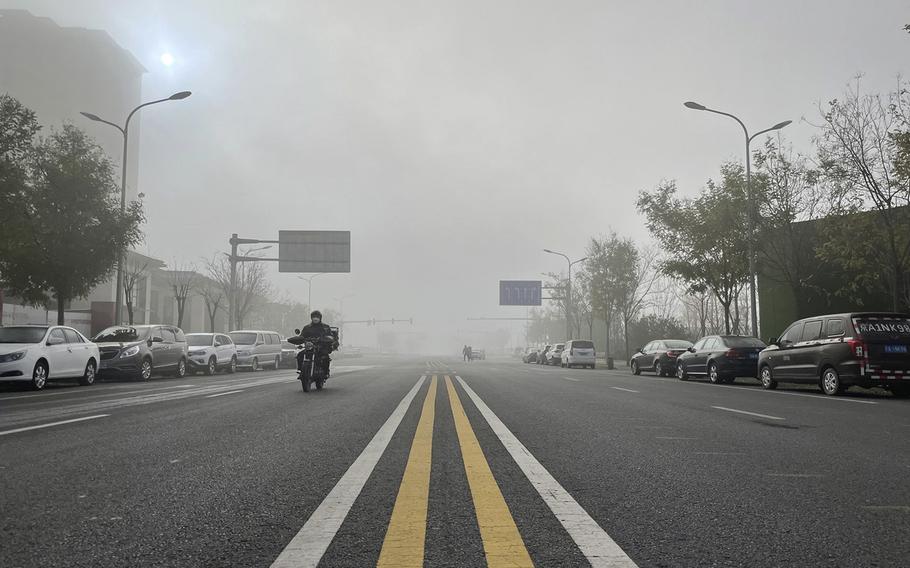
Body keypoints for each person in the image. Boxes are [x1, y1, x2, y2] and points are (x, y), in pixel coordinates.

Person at [296, 310, 339, 374]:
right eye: (313, 317)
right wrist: (298, 339)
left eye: (317, 317)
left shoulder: (325, 327)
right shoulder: (307, 327)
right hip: (310, 347)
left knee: (325, 358)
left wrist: (325, 339)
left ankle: (326, 372)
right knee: (300, 355)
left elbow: (330, 336)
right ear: (311, 318)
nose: (315, 318)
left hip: (321, 347)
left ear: (320, 318)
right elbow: (302, 336)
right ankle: (300, 369)